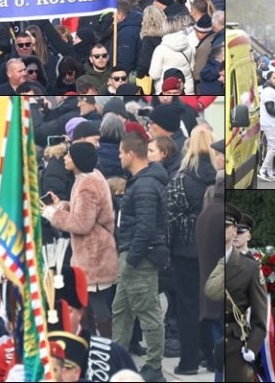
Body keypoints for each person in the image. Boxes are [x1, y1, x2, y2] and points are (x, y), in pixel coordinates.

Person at [43, 140, 118, 339]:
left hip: (93, 253)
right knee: (90, 304)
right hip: (94, 250)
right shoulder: (90, 178)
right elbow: (85, 212)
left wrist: (52, 215)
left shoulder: (86, 185)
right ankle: (95, 342)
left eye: (69, 156)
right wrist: (64, 206)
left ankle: (103, 344)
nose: (65, 158)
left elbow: (82, 224)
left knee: (96, 305)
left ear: (78, 160)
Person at [111, 131, 168, 383]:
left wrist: (132, 257)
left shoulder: (144, 184)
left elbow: (146, 226)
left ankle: (154, 367)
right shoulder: (142, 181)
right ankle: (116, 360)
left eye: (121, 153)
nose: (119, 157)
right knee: (120, 310)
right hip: (133, 255)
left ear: (131, 154)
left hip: (139, 258)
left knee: (147, 313)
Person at [224, 203, 266, 382]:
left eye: (225, 226)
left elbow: (260, 314)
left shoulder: (250, 267)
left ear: (234, 230)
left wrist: (252, 346)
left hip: (234, 341)